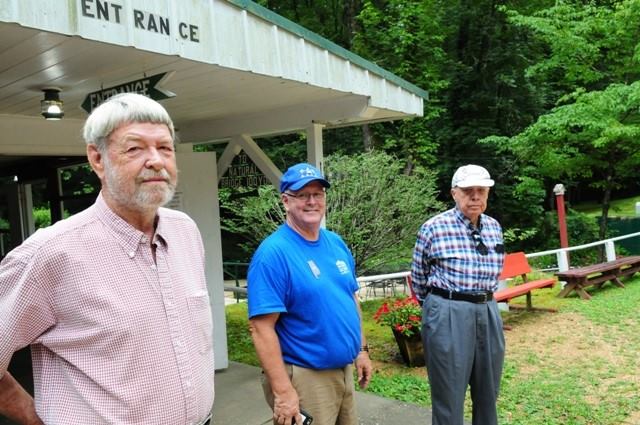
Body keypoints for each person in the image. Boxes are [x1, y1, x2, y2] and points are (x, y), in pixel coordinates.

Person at [0, 93, 215, 425]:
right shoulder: (52, 253)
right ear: (97, 159)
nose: (156, 160)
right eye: (135, 148)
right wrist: (34, 416)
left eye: (165, 148)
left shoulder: (185, 232)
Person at [247, 163, 372, 425]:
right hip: (305, 377)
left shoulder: (335, 243)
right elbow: (261, 329)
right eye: (303, 195)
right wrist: (283, 392)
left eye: (318, 194)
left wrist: (361, 350)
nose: (312, 201)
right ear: (286, 201)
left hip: (342, 370)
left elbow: (351, 298)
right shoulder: (273, 254)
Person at [411, 164, 505, 425]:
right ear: (454, 193)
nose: (475, 196)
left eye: (481, 190)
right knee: (448, 396)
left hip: (487, 308)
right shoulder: (433, 228)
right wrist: (440, 309)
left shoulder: (494, 227)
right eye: (468, 190)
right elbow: (418, 278)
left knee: (489, 391)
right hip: (448, 310)